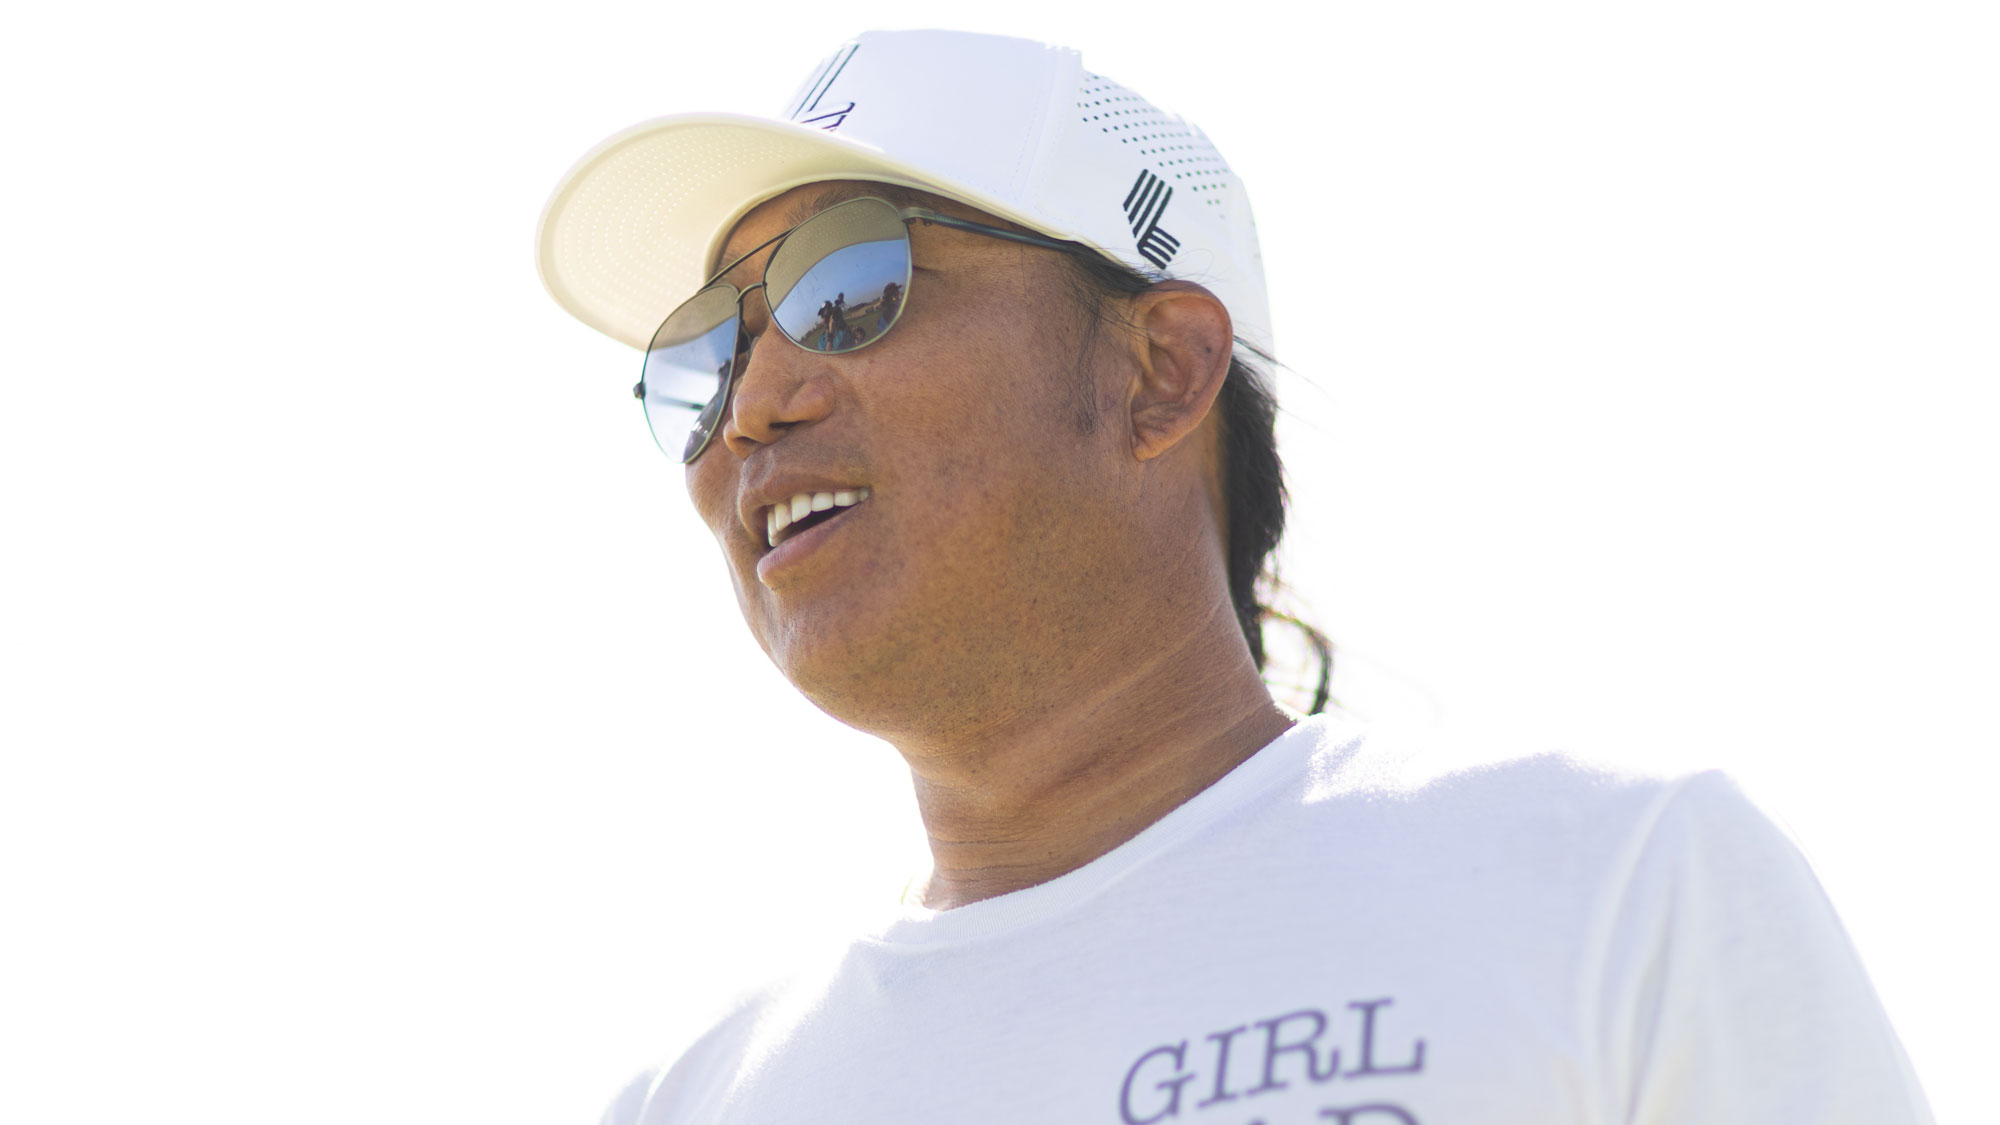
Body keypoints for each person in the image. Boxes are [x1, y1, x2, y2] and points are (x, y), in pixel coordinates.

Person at [535, 29, 1933, 1124]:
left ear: (1163, 370)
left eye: (854, 288)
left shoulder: (1617, 885)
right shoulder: (689, 1101)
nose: (758, 399)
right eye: (708, 350)